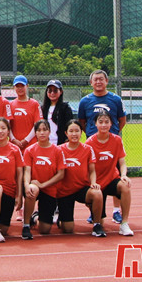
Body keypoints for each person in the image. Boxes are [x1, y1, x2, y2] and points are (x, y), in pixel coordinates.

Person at [77, 70, 127, 223]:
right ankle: (95, 211)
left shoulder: (115, 99)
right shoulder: (85, 101)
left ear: (107, 81)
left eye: (101, 79)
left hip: (111, 145)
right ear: (91, 82)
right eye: (95, 80)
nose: (98, 82)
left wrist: (112, 134)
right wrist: (92, 135)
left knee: (116, 175)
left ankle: (117, 211)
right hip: (93, 146)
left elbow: (122, 120)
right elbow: (82, 122)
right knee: (92, 177)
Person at [85, 108, 134, 236]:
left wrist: (124, 175)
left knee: (125, 186)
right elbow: (88, 168)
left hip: (112, 179)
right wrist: (91, 183)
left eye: (107, 122)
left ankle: (124, 223)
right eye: (100, 122)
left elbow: (122, 162)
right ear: (95, 124)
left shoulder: (117, 140)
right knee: (100, 222)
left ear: (111, 123)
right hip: (97, 183)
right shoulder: (89, 142)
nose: (104, 125)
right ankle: (95, 215)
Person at [57, 119, 105, 237]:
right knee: (68, 229)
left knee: (97, 193)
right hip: (65, 192)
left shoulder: (87, 149)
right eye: (71, 131)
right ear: (66, 133)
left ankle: (97, 225)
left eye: (77, 131)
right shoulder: (59, 150)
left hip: (81, 189)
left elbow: (92, 170)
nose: (74, 134)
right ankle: (60, 217)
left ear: (81, 132)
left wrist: (93, 183)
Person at [22, 119, 66, 239]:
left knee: (45, 229)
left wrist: (43, 185)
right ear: (35, 133)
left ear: (49, 132)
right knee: (32, 189)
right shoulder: (30, 150)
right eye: (39, 130)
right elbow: (27, 171)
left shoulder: (57, 151)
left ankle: (35, 217)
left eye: (45, 130)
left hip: (49, 189)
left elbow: (61, 174)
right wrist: (26, 185)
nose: (42, 133)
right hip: (34, 186)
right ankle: (26, 225)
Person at [9, 75, 41, 150]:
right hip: (14, 146)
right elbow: (7, 125)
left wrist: (26, 140)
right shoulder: (10, 104)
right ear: (14, 87)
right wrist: (13, 139)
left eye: (22, 86)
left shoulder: (35, 104)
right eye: (17, 86)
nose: (20, 88)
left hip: (31, 145)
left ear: (27, 86)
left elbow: (37, 124)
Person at [42, 79, 74, 146]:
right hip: (46, 143)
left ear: (61, 91)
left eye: (55, 91)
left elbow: (69, 125)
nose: (52, 93)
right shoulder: (43, 108)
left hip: (60, 143)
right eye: (50, 90)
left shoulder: (65, 108)